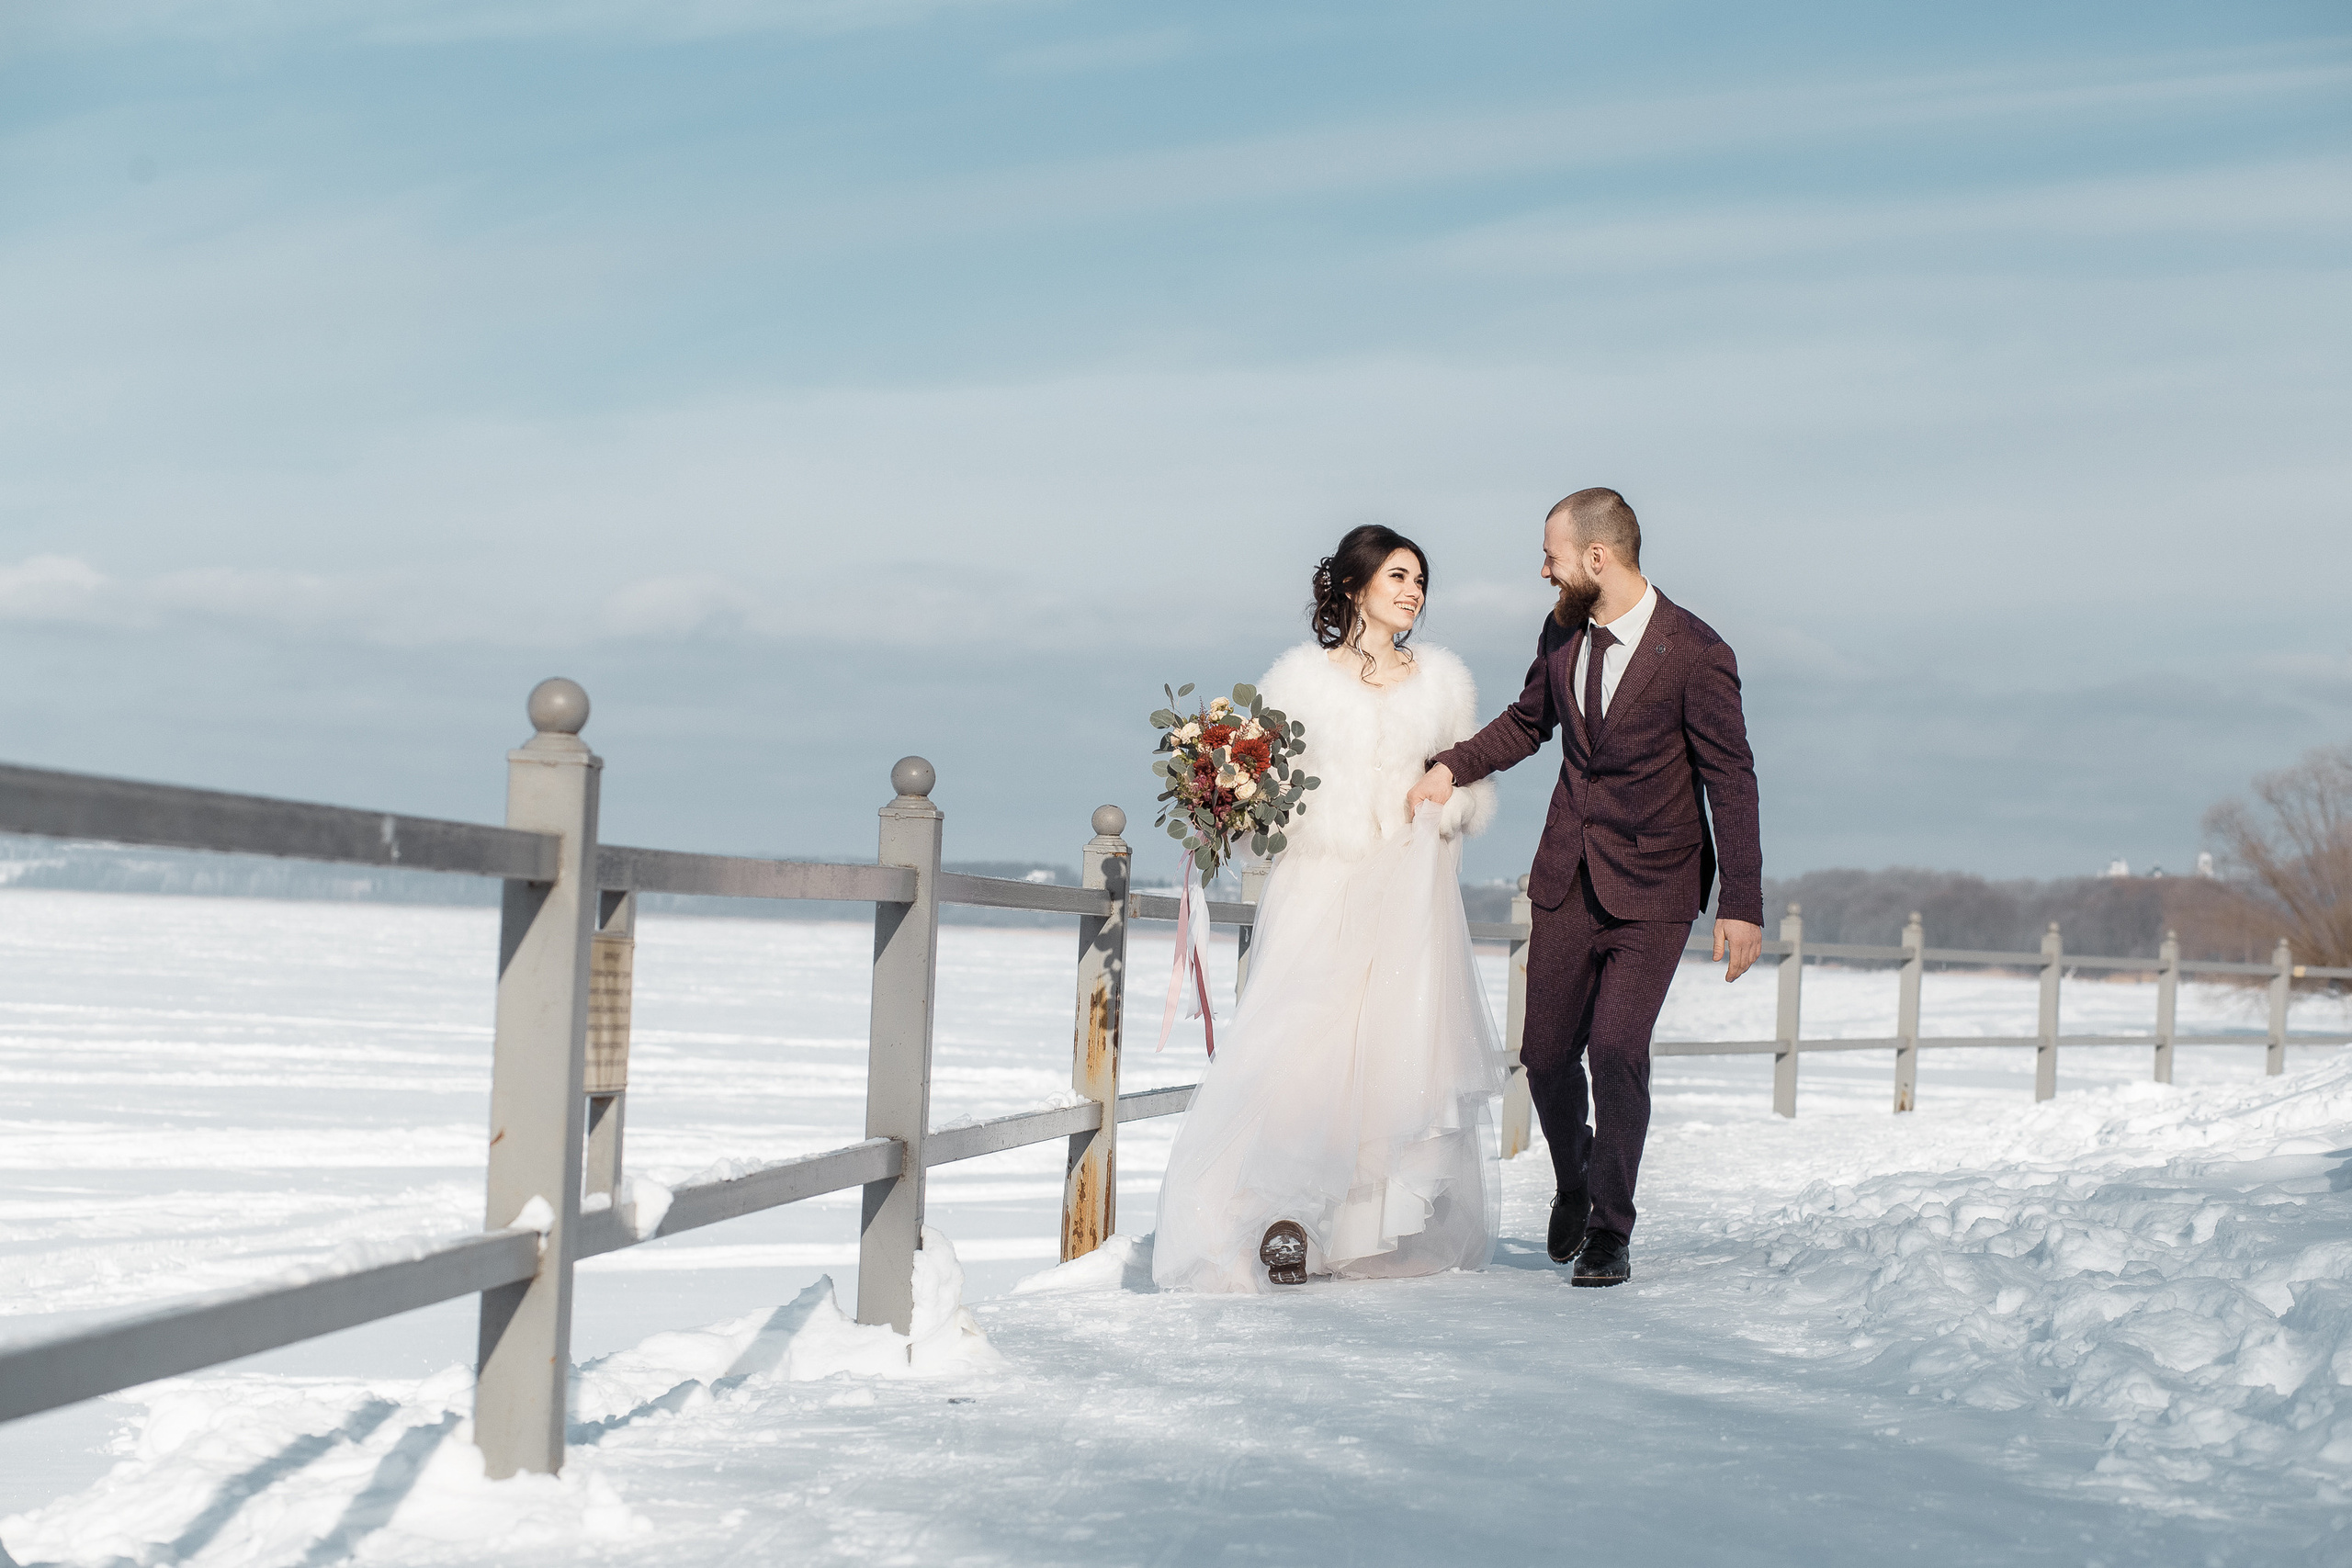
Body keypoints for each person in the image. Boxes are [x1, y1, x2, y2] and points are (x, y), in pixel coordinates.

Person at [1407, 489, 1762, 1287]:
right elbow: (1531, 720)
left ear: (1597, 557)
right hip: (1568, 874)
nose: (1544, 569)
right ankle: (1574, 1179)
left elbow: (1731, 779)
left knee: (1616, 1047)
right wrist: (1450, 766)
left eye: (1552, 555)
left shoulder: (1698, 652)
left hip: (1658, 885)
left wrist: (1743, 901)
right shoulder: (1564, 631)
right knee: (1543, 1054)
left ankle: (1610, 1226)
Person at [1151, 525, 1505, 1293]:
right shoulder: (1299, 681)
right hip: (1321, 881)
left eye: (1420, 581)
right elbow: (1264, 778)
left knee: (1395, 1051)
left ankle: (1355, 1225)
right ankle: (1277, 1215)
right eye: (1398, 576)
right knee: (1300, 1045)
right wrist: (1225, 798)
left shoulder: (1443, 681)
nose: (1412, 592)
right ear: (1353, 586)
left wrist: (1442, 803)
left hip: (1411, 891)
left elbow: (1472, 781)